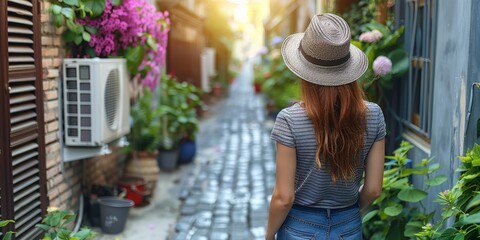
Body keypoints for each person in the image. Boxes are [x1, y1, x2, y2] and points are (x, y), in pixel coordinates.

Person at [265, 13, 385, 240]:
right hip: (348, 225)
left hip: (299, 228)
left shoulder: (290, 120)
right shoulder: (374, 115)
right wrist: (349, 213)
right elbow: (373, 189)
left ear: (304, 70)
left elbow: (284, 197)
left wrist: (269, 235)